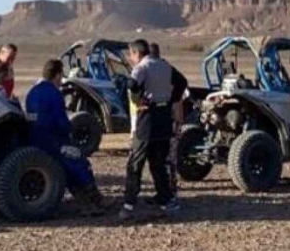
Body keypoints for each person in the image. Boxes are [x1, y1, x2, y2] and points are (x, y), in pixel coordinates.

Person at [24, 58, 107, 215]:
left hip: (34, 141)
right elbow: (61, 122)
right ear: (56, 75)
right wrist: (69, 129)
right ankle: (92, 199)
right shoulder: (54, 94)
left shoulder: (32, 92)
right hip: (52, 142)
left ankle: (85, 200)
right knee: (78, 159)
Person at [120, 39, 179, 220]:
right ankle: (167, 200)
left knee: (136, 163)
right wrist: (170, 101)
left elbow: (131, 85)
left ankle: (129, 204)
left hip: (147, 120)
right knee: (158, 164)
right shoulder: (165, 65)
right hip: (164, 120)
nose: (130, 59)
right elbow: (182, 82)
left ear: (137, 53)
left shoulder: (141, 68)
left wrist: (139, 101)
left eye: (131, 55)